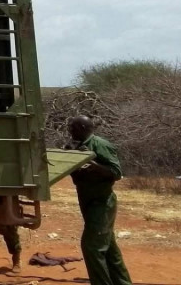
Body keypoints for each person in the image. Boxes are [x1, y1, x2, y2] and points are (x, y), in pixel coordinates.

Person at [68, 115, 133, 285]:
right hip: (88, 201)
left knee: (92, 246)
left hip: (102, 203)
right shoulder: (79, 145)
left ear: (82, 128)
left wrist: (94, 165)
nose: (70, 131)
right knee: (109, 249)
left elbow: (116, 172)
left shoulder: (100, 144)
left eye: (73, 128)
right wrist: (70, 155)